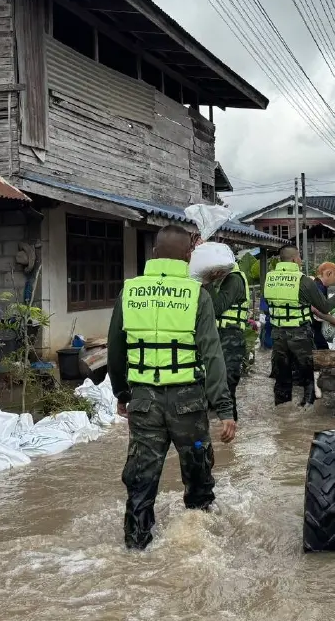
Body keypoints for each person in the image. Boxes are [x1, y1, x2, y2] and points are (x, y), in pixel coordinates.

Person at [109, 226, 237, 550]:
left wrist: (122, 394)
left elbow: (115, 350)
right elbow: (212, 355)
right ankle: (198, 542)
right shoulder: (197, 295)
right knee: (198, 478)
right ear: (187, 256)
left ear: (153, 254)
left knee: (141, 481)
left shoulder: (130, 291)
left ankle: (136, 550)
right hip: (188, 404)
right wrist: (224, 409)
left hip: (144, 403)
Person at [264, 246, 335, 406]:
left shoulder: (270, 278)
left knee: (282, 379)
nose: (301, 261)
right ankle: (307, 415)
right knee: (307, 378)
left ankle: (283, 416)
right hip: (299, 335)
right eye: (299, 257)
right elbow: (325, 307)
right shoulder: (302, 280)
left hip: (278, 336)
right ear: (293, 259)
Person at [207, 256, 250, 421]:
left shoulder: (234, 279)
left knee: (225, 386)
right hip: (219, 335)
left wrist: (208, 281)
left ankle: (229, 431)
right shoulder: (223, 279)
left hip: (230, 337)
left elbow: (217, 308)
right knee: (214, 384)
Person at [309, 262, 335, 350]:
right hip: (313, 328)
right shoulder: (318, 287)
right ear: (328, 273)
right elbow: (316, 310)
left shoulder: (319, 285)